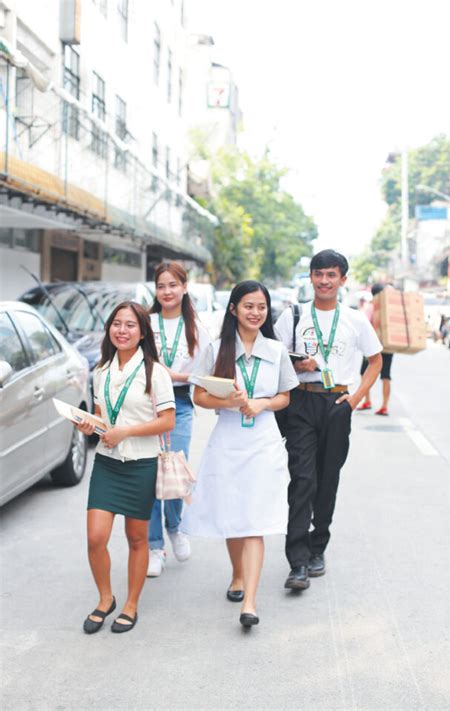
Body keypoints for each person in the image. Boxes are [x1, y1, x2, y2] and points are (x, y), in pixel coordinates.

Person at [181, 281, 299, 627]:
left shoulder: (276, 351)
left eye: (261, 307)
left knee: (255, 520)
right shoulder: (217, 349)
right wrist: (226, 402)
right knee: (232, 512)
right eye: (248, 306)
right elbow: (198, 397)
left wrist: (262, 402)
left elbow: (285, 397)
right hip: (228, 441)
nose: (255, 313)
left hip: (263, 442)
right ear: (234, 309)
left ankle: (250, 601)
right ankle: (236, 574)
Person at [275, 250, 382, 590]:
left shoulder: (354, 319)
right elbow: (275, 361)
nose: (324, 281)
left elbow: (375, 361)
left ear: (342, 280)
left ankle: (318, 548)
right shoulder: (292, 316)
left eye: (331, 275)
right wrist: (297, 367)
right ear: (310, 277)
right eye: (319, 274)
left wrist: (354, 399)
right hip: (302, 403)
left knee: (327, 478)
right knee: (302, 478)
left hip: (338, 403)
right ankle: (298, 561)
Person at [77, 302, 175, 634]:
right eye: (116, 324)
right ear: (109, 329)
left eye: (130, 325)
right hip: (107, 463)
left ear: (142, 332)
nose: (122, 330)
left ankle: (131, 604)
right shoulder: (101, 371)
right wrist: (91, 426)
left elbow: (168, 420)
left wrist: (128, 431)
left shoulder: (154, 372)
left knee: (136, 538)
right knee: (95, 537)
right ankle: (106, 599)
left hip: (141, 464)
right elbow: (105, 417)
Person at [147, 261, 211, 577]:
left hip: (180, 402)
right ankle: (154, 546)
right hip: (145, 404)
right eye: (161, 286)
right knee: (147, 474)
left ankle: (175, 527)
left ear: (184, 287)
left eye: (173, 285)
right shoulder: (146, 322)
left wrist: (173, 374)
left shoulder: (197, 328)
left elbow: (203, 374)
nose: (167, 291)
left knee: (173, 468)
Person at [357, 283, 394, 416]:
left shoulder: (370, 306)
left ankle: (367, 400)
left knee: (364, 372)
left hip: (373, 346)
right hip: (389, 346)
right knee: (386, 375)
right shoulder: (389, 308)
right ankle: (384, 405)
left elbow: (364, 325)